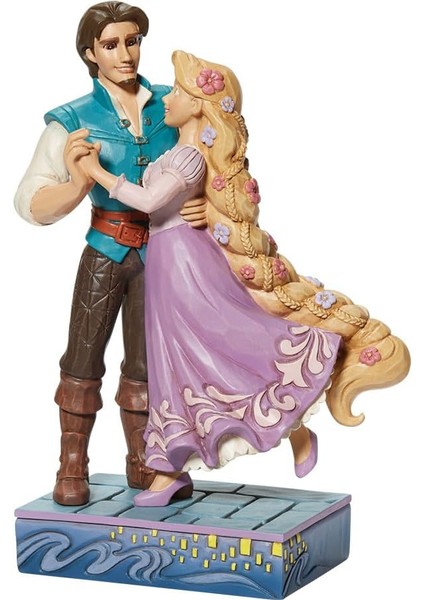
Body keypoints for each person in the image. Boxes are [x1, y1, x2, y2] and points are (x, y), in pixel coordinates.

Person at [80, 50, 348, 507]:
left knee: (218, 343)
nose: (168, 97)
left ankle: (293, 421)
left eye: (178, 91)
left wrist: (96, 172)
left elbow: (149, 202)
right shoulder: (177, 151)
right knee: (172, 361)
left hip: (185, 261)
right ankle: (171, 466)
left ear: (197, 105)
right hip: (163, 260)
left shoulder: (188, 158)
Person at [13, 3, 206, 506]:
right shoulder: (74, 119)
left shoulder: (172, 105)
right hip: (106, 249)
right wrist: (78, 183)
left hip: (164, 253)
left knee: (147, 363)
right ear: (90, 53)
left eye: (132, 41)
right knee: (82, 357)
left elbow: (216, 162)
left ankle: (144, 459)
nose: (125, 53)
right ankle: (71, 463)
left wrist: (205, 204)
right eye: (111, 44)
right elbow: (30, 202)